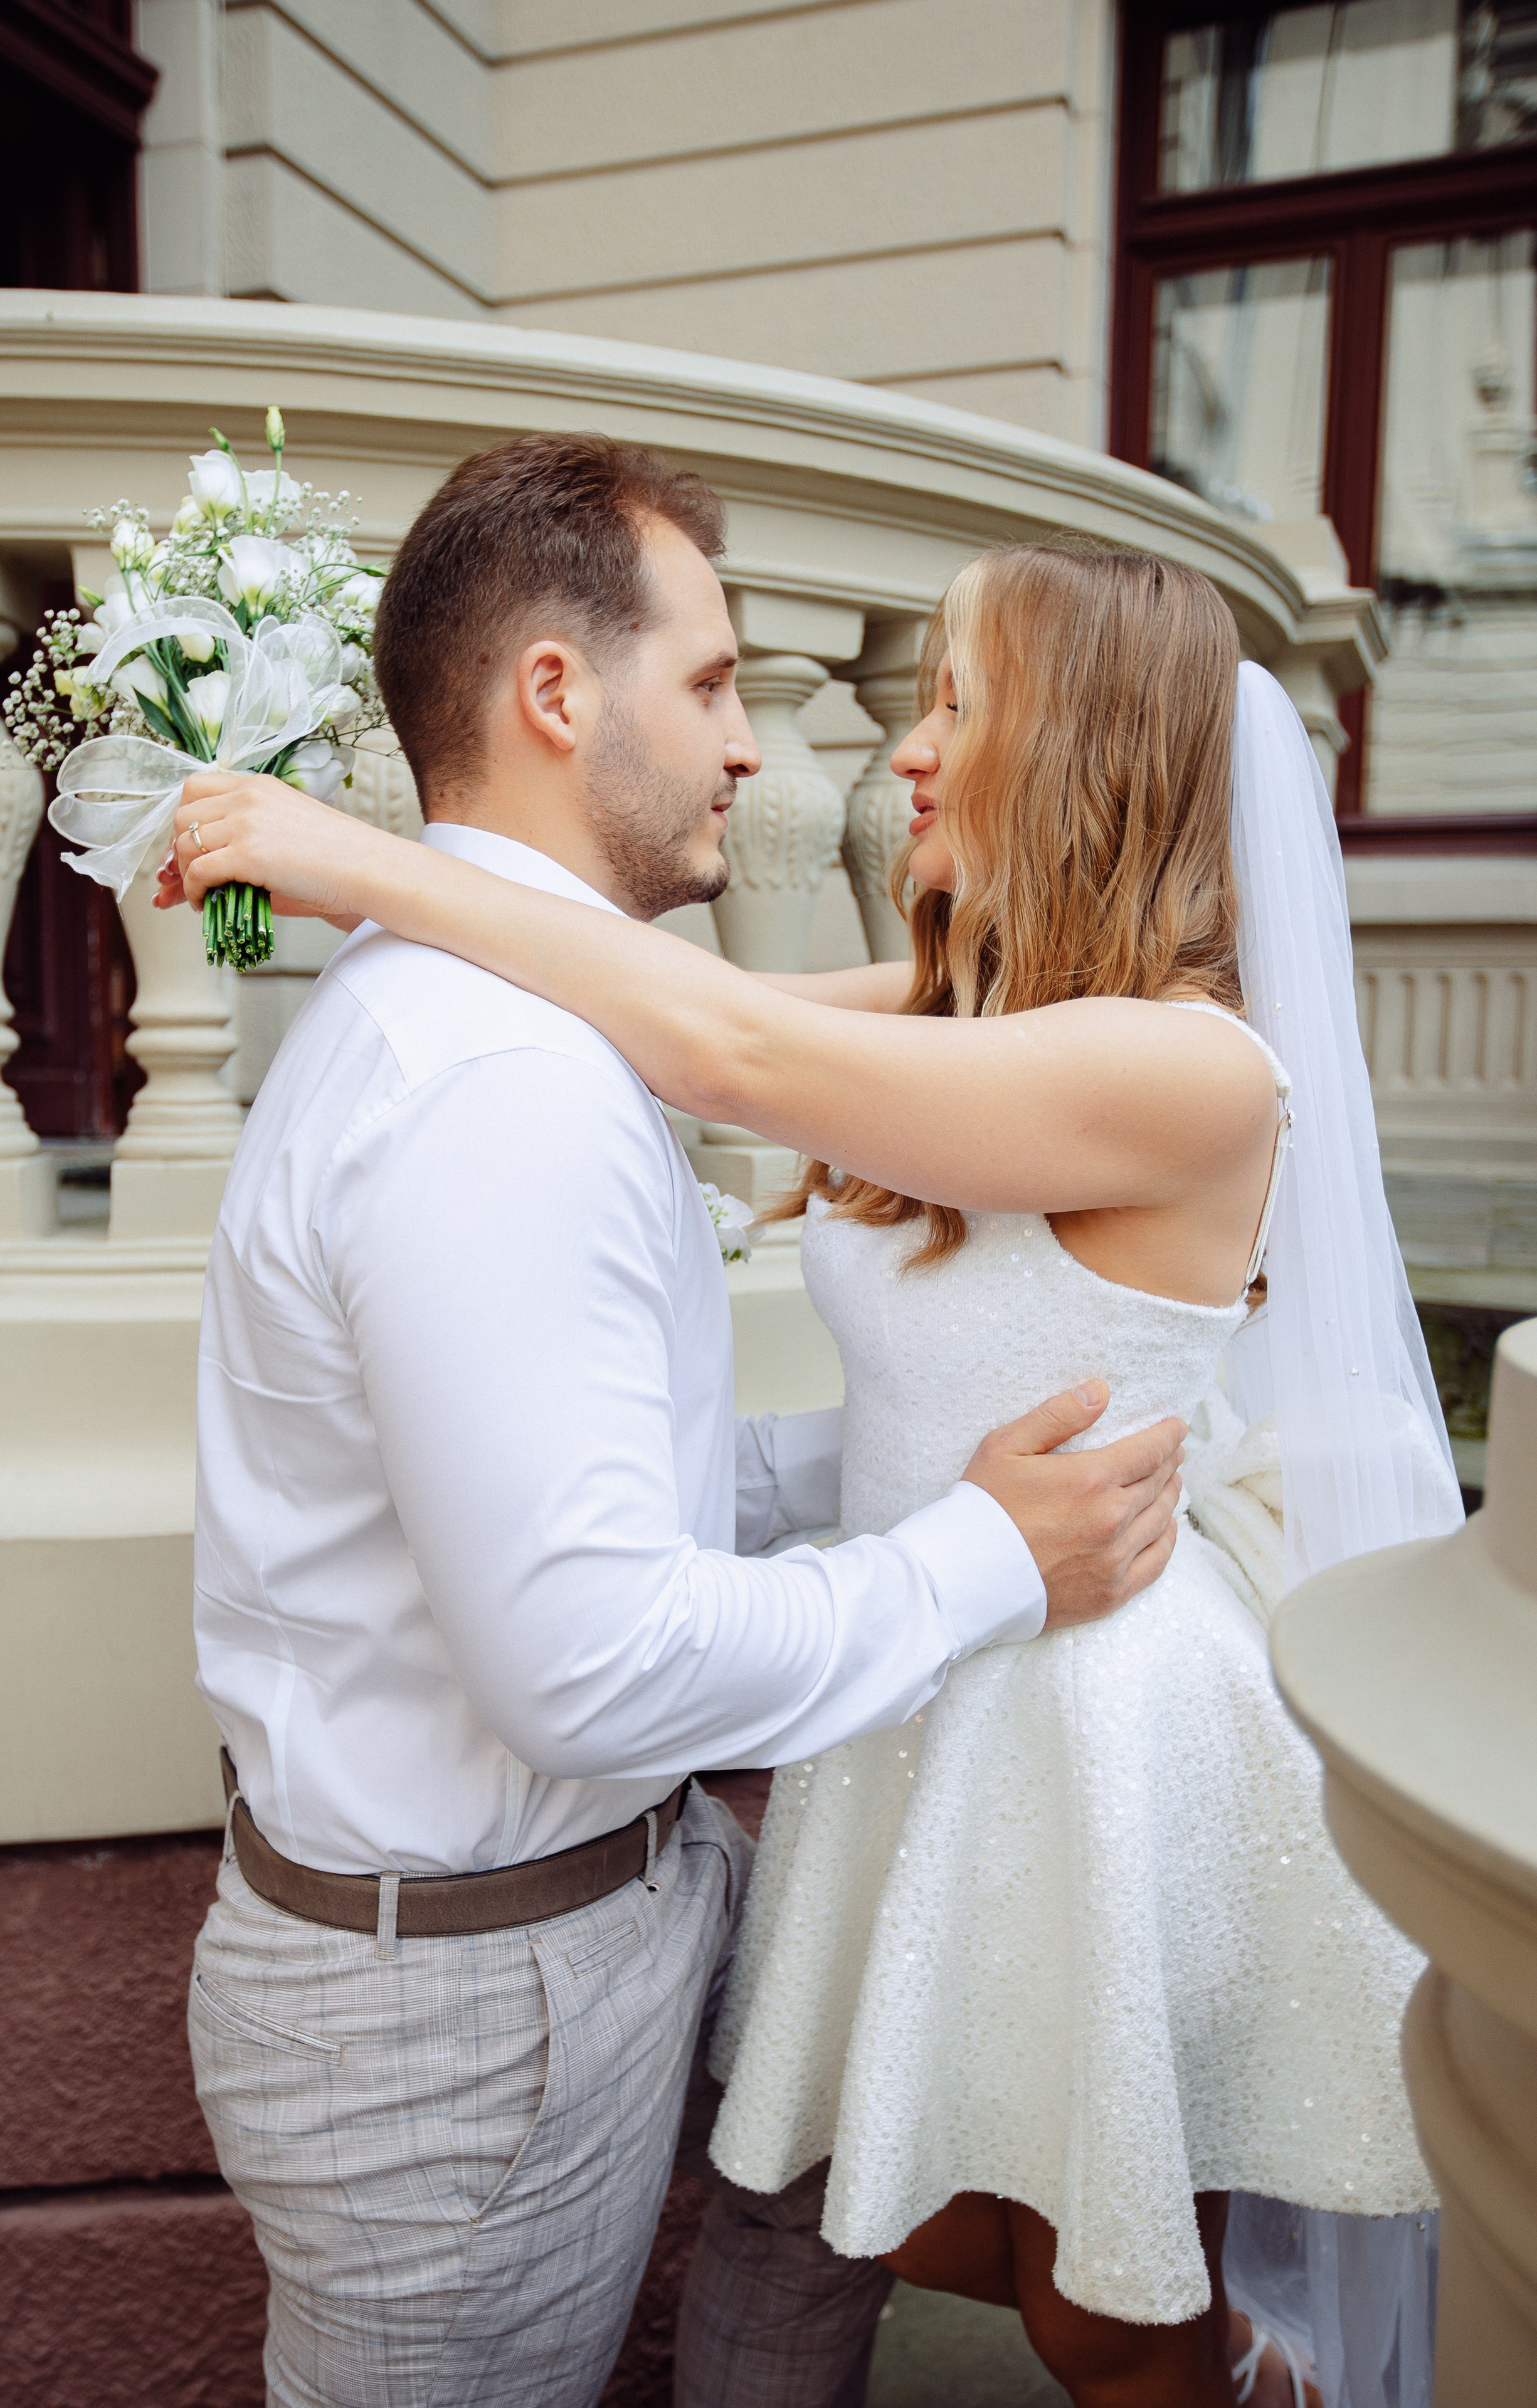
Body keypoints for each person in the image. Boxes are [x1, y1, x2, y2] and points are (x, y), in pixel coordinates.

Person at [169, 530, 1462, 2408]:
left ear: (1088, 746)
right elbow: (677, 1040)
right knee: (908, 2215)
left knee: (1095, 2288)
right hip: (938, 1682)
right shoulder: (984, 1010)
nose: (901, 754)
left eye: (956, 703)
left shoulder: (1193, 1067)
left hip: (1090, 1712)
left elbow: (717, 1034)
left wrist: (359, 859)